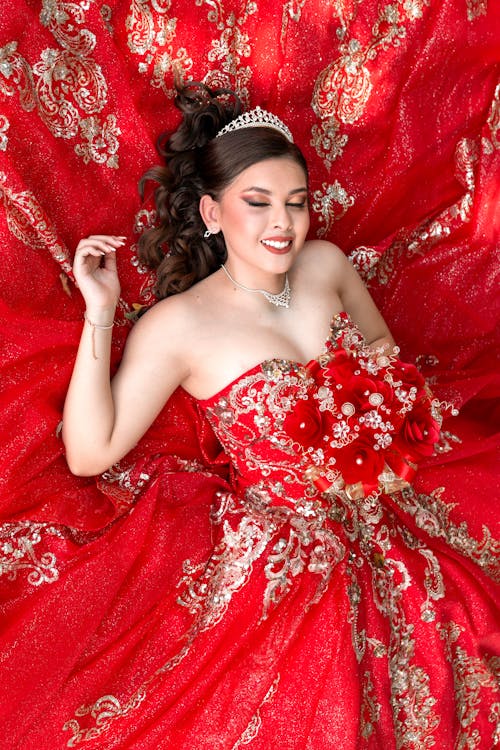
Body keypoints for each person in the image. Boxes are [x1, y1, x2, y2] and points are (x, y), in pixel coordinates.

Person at [57, 83, 498, 747]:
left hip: (394, 503)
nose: (282, 224)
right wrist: (100, 309)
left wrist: (377, 409)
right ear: (211, 211)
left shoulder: (325, 265)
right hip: (292, 548)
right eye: (257, 203)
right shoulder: (180, 326)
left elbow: (385, 356)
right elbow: (90, 453)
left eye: (295, 204)